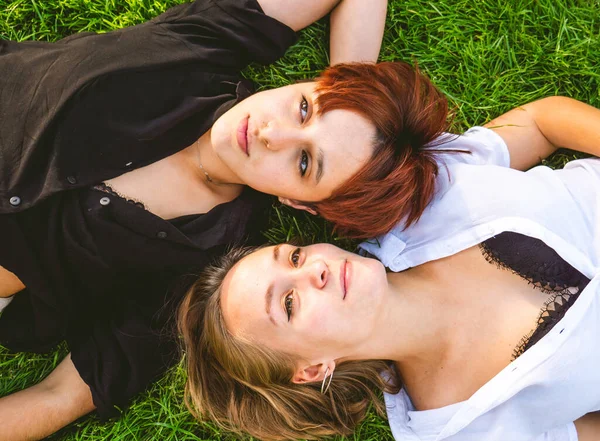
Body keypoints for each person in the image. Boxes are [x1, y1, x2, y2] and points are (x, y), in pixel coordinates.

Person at [0, 1, 391, 439]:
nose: (270, 133)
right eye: (303, 109)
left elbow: (62, 393)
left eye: (304, 163)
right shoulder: (203, 45)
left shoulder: (205, 263)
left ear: (300, 203)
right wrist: (349, 89)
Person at [177, 99, 600, 441]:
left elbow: (541, 123)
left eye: (294, 257)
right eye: (289, 303)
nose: (316, 270)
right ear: (311, 370)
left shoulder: (416, 201)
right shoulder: (458, 428)